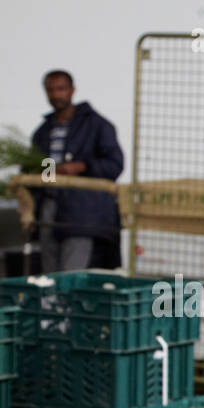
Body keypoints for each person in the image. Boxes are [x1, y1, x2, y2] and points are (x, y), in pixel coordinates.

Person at [30, 70, 124, 271]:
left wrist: (82, 166)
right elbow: (35, 170)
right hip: (48, 208)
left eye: (61, 89)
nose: (56, 95)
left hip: (81, 212)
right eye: (51, 90)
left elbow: (115, 165)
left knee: (72, 272)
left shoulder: (97, 125)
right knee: (50, 273)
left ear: (72, 90)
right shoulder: (43, 132)